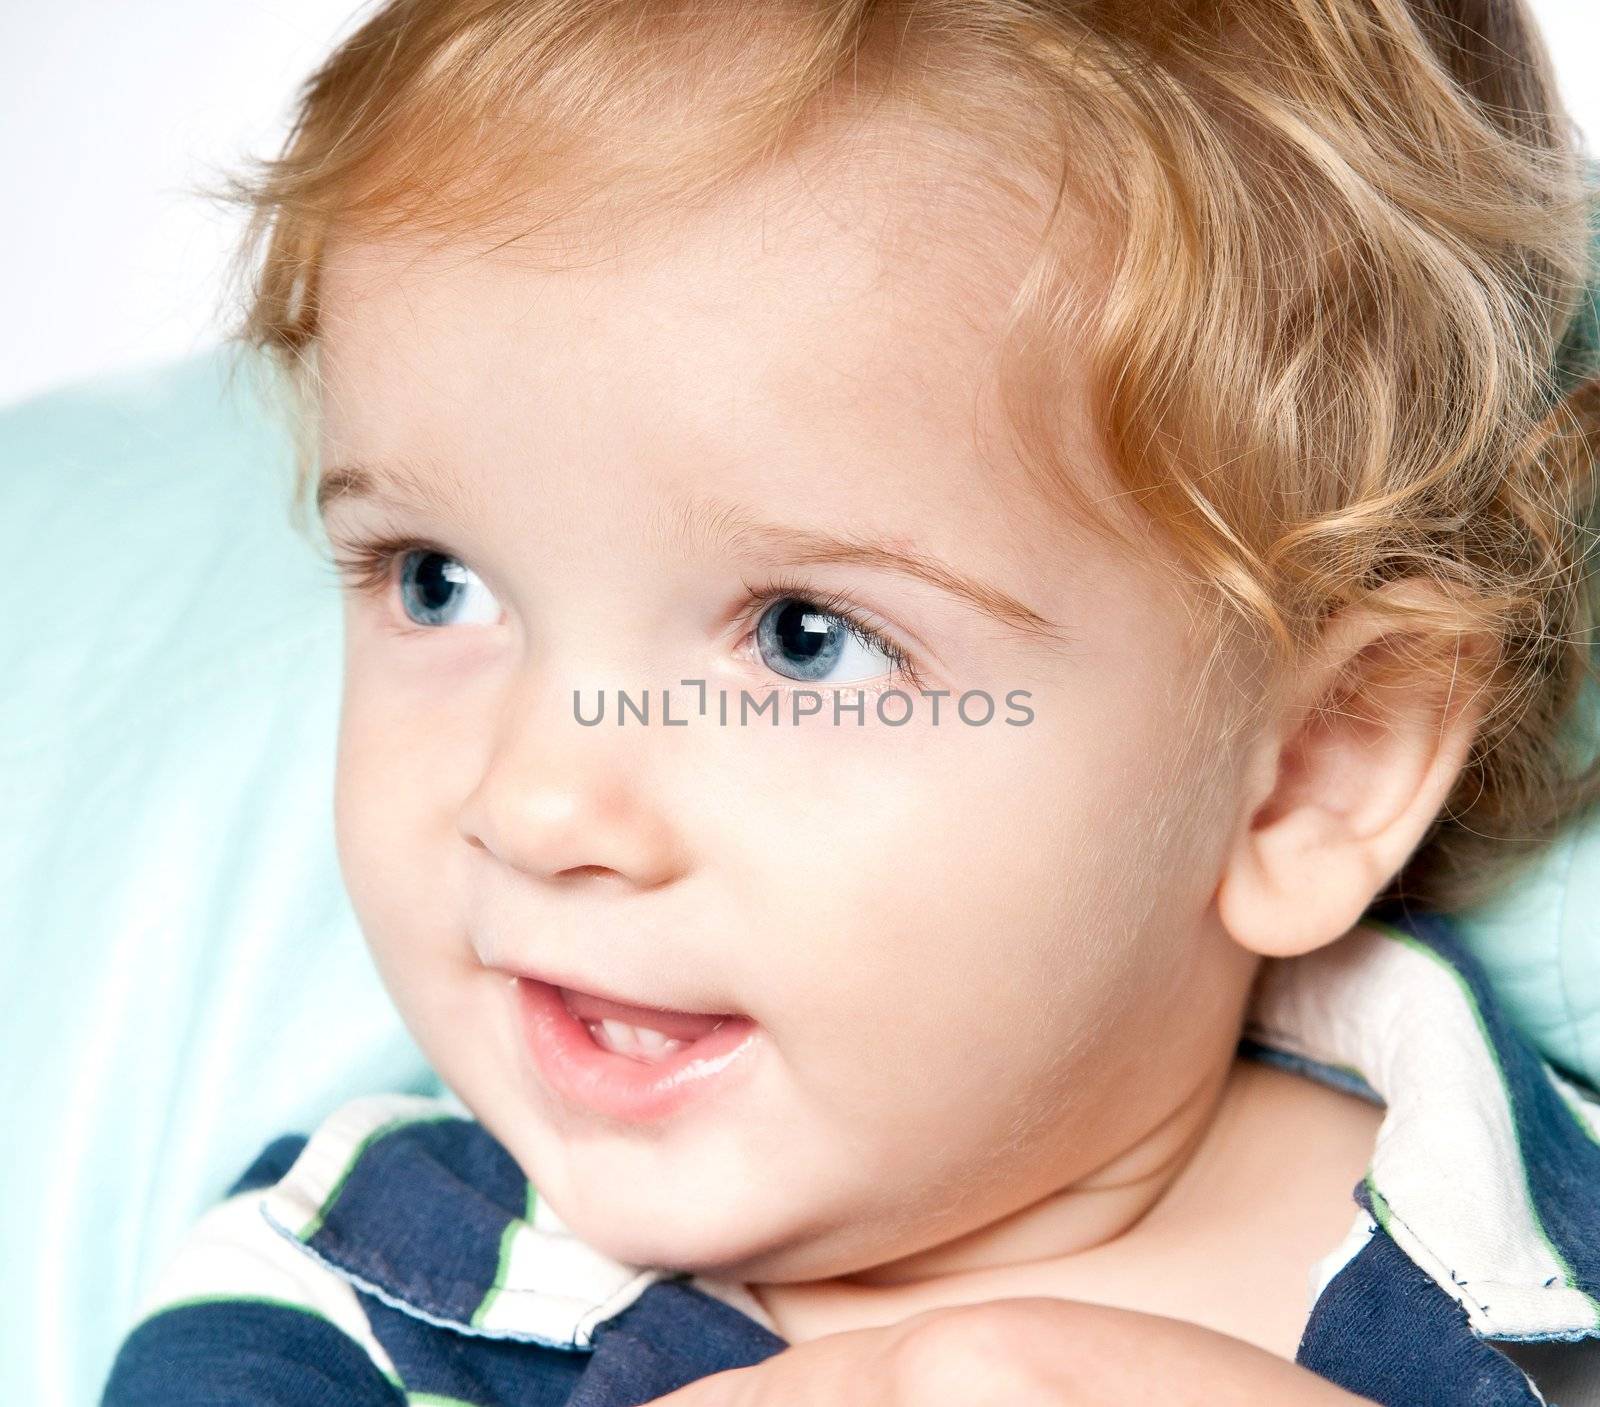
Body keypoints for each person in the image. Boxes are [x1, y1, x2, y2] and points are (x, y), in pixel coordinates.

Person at [100, 1, 1600, 1403]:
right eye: (437, 581)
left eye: (808, 638)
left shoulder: (1556, 1272)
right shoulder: (345, 1302)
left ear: (1309, 772)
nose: (538, 803)